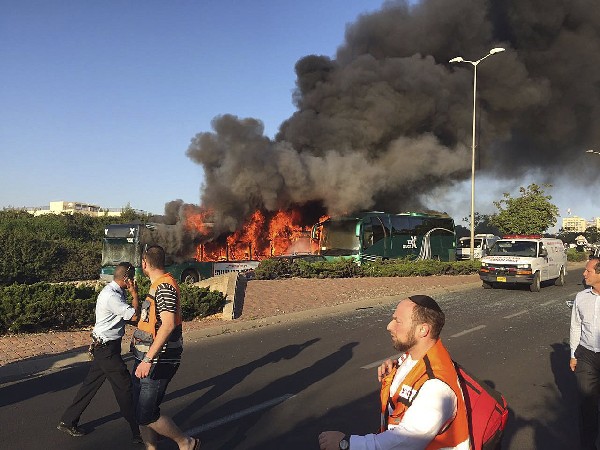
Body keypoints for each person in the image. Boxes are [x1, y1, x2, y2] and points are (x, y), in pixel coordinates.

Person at [318, 295, 470, 450]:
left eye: (398, 321)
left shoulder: (436, 387)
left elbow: (406, 440)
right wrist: (394, 373)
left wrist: (347, 444)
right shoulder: (412, 357)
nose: (389, 326)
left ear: (423, 330)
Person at [57, 262, 142, 445]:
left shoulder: (117, 291)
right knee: (125, 386)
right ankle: (138, 431)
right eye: (133, 278)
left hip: (105, 346)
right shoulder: (112, 296)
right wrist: (136, 294)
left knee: (90, 384)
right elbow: (134, 317)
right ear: (126, 279)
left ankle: (67, 421)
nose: (134, 281)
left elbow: (128, 318)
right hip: (106, 350)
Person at [131, 245, 200, 450]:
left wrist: (147, 359)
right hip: (144, 358)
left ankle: (186, 442)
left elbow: (168, 324)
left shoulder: (165, 287)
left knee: (146, 414)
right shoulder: (157, 285)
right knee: (140, 413)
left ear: (145, 263)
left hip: (157, 360)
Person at [570, 256, 600, 450]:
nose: (584, 274)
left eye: (588, 271)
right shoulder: (581, 297)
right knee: (587, 405)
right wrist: (573, 354)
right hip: (586, 355)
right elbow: (575, 326)